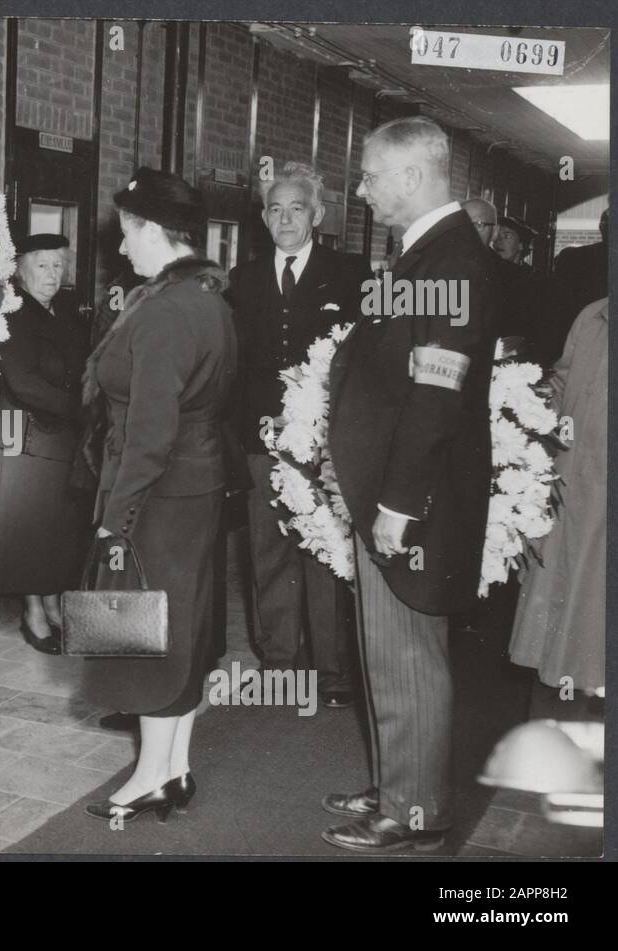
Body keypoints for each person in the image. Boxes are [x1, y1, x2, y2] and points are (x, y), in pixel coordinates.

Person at [322, 116, 498, 852]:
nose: (361, 191)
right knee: (385, 652)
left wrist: (397, 505)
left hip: (410, 502)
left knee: (408, 655)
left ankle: (416, 811)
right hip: (387, 491)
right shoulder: (425, 256)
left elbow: (434, 395)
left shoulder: (449, 261)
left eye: (368, 174)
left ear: (413, 175)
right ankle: (399, 779)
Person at [79, 167, 236, 822]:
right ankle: (171, 770)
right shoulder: (204, 297)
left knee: (141, 638)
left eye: (128, 232)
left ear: (158, 230)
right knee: (179, 633)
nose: (121, 247)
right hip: (193, 492)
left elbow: (149, 435)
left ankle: (147, 774)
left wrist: (114, 522)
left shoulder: (169, 311)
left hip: (156, 497)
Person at [227, 161, 366, 708]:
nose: (286, 218)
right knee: (269, 549)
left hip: (326, 441)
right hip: (262, 441)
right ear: (264, 217)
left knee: (325, 549)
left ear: (318, 215)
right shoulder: (242, 280)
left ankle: (331, 670)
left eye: (297, 208)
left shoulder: (351, 274)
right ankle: (280, 661)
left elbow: (362, 357)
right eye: (276, 209)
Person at [0, 233, 91, 654]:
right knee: (30, 528)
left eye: (57, 266)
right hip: (22, 432)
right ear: (22, 270)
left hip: (61, 433)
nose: (51, 274)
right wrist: (82, 410)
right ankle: (33, 613)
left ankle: (53, 603)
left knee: (58, 526)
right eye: (42, 266)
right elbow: (23, 382)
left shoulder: (65, 310)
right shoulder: (12, 312)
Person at [509, 297, 607, 709]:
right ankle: (568, 670)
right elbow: (563, 381)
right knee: (568, 569)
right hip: (573, 468)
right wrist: (529, 405)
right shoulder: (593, 314)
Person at [544, 210, 608, 367]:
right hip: (581, 341)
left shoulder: (573, 257)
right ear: (601, 227)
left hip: (575, 342)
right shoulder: (574, 258)